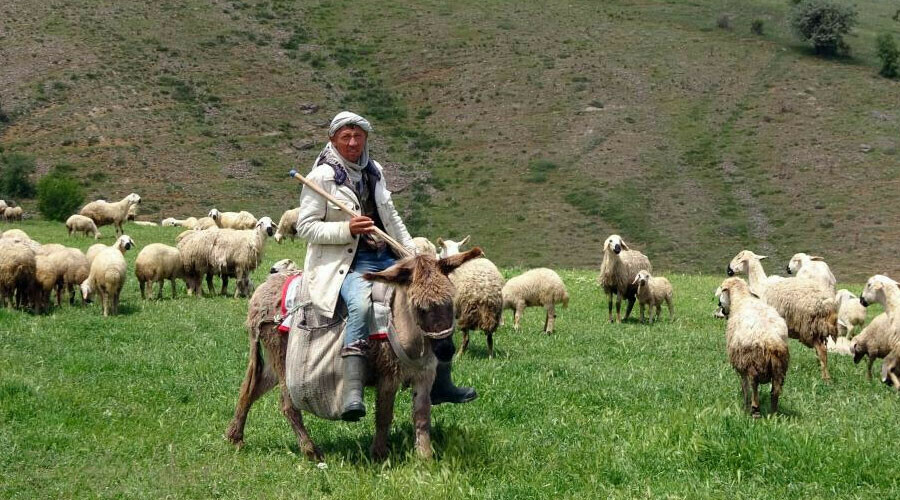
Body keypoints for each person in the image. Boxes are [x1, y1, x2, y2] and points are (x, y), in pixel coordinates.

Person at [296, 111, 476, 421]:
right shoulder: (321, 177)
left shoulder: (373, 170)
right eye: (345, 137)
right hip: (347, 261)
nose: (353, 142)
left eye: (358, 136)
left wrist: (412, 252)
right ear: (333, 140)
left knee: (436, 298)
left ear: (365, 138)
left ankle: (441, 382)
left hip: (386, 253)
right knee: (360, 305)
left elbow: (391, 218)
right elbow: (306, 227)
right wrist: (347, 230)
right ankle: (353, 390)